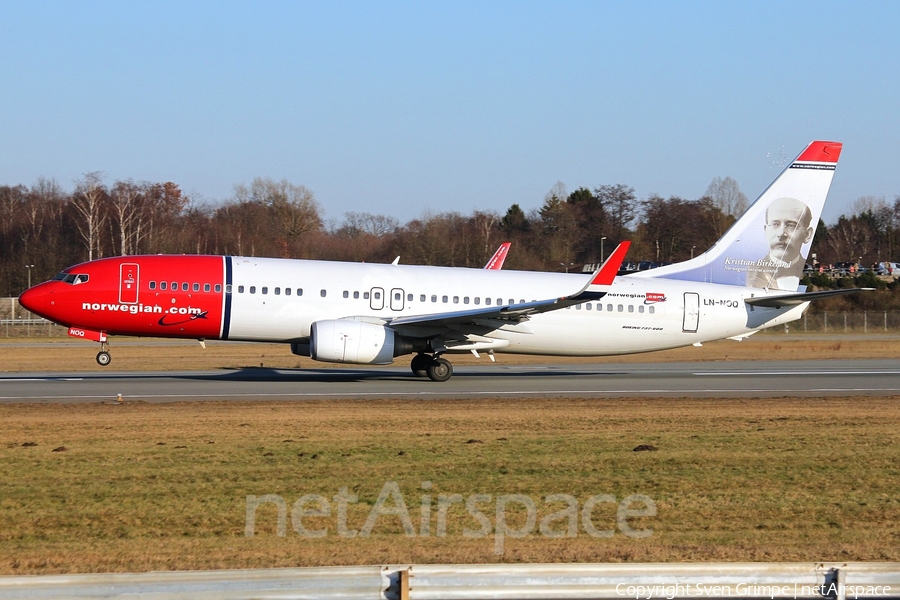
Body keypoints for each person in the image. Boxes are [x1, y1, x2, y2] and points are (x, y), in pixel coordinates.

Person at [746, 197, 813, 290]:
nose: (781, 233)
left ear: (807, 235)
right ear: (766, 231)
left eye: (791, 226)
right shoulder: (750, 271)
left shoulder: (809, 272)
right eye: (775, 224)